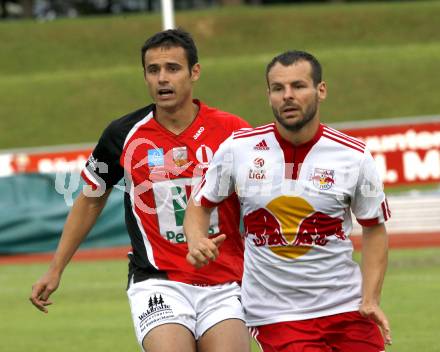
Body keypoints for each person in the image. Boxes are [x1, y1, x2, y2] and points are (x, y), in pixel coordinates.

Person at [29, 29, 251, 352]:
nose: (162, 78)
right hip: (157, 281)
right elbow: (90, 200)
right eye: (153, 70)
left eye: (173, 68)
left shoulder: (233, 131)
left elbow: (259, 199)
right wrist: (56, 268)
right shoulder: (123, 135)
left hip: (224, 280)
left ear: (195, 72)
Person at [184, 50, 392, 352]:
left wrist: (370, 299)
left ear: (321, 91)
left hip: (347, 308)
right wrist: (195, 238)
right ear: (269, 95)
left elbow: (374, 227)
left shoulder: (354, 156)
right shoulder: (238, 149)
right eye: (278, 89)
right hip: (276, 315)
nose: (288, 96)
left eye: (298, 86)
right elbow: (200, 203)